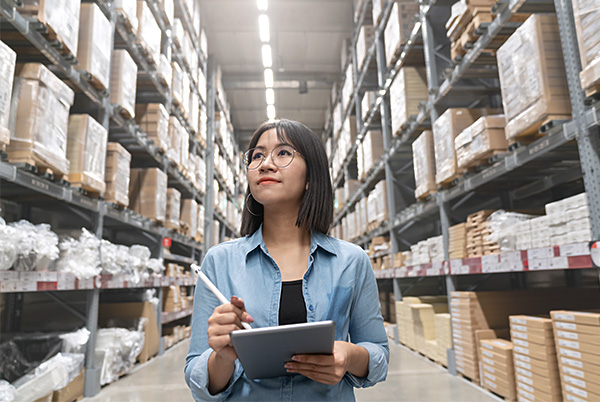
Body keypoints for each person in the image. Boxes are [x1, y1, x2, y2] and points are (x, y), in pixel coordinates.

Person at [185, 119, 389, 401]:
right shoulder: (219, 262)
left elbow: (378, 354)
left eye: (283, 153)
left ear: (310, 177)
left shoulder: (351, 261)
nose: (265, 164)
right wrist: (223, 356)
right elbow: (198, 377)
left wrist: (349, 355)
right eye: (257, 155)